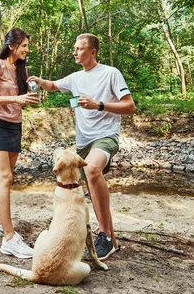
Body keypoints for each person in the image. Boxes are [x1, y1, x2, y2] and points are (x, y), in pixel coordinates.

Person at [28, 33, 135, 260]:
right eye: (74, 48)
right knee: (88, 182)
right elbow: (54, 86)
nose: (75, 52)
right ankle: (111, 241)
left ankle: (104, 235)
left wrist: (99, 105)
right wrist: (39, 81)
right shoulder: (76, 77)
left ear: (92, 52)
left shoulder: (110, 73)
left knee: (92, 169)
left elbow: (130, 106)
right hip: (82, 144)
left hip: (106, 136)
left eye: (79, 49)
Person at [0, 28, 39, 259]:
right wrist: (16, 98)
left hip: (15, 125)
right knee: (3, 177)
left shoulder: (20, 69)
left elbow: (20, 101)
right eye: (24, 45)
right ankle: (9, 238)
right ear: (12, 45)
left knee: (9, 177)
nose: (27, 49)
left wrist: (29, 98)